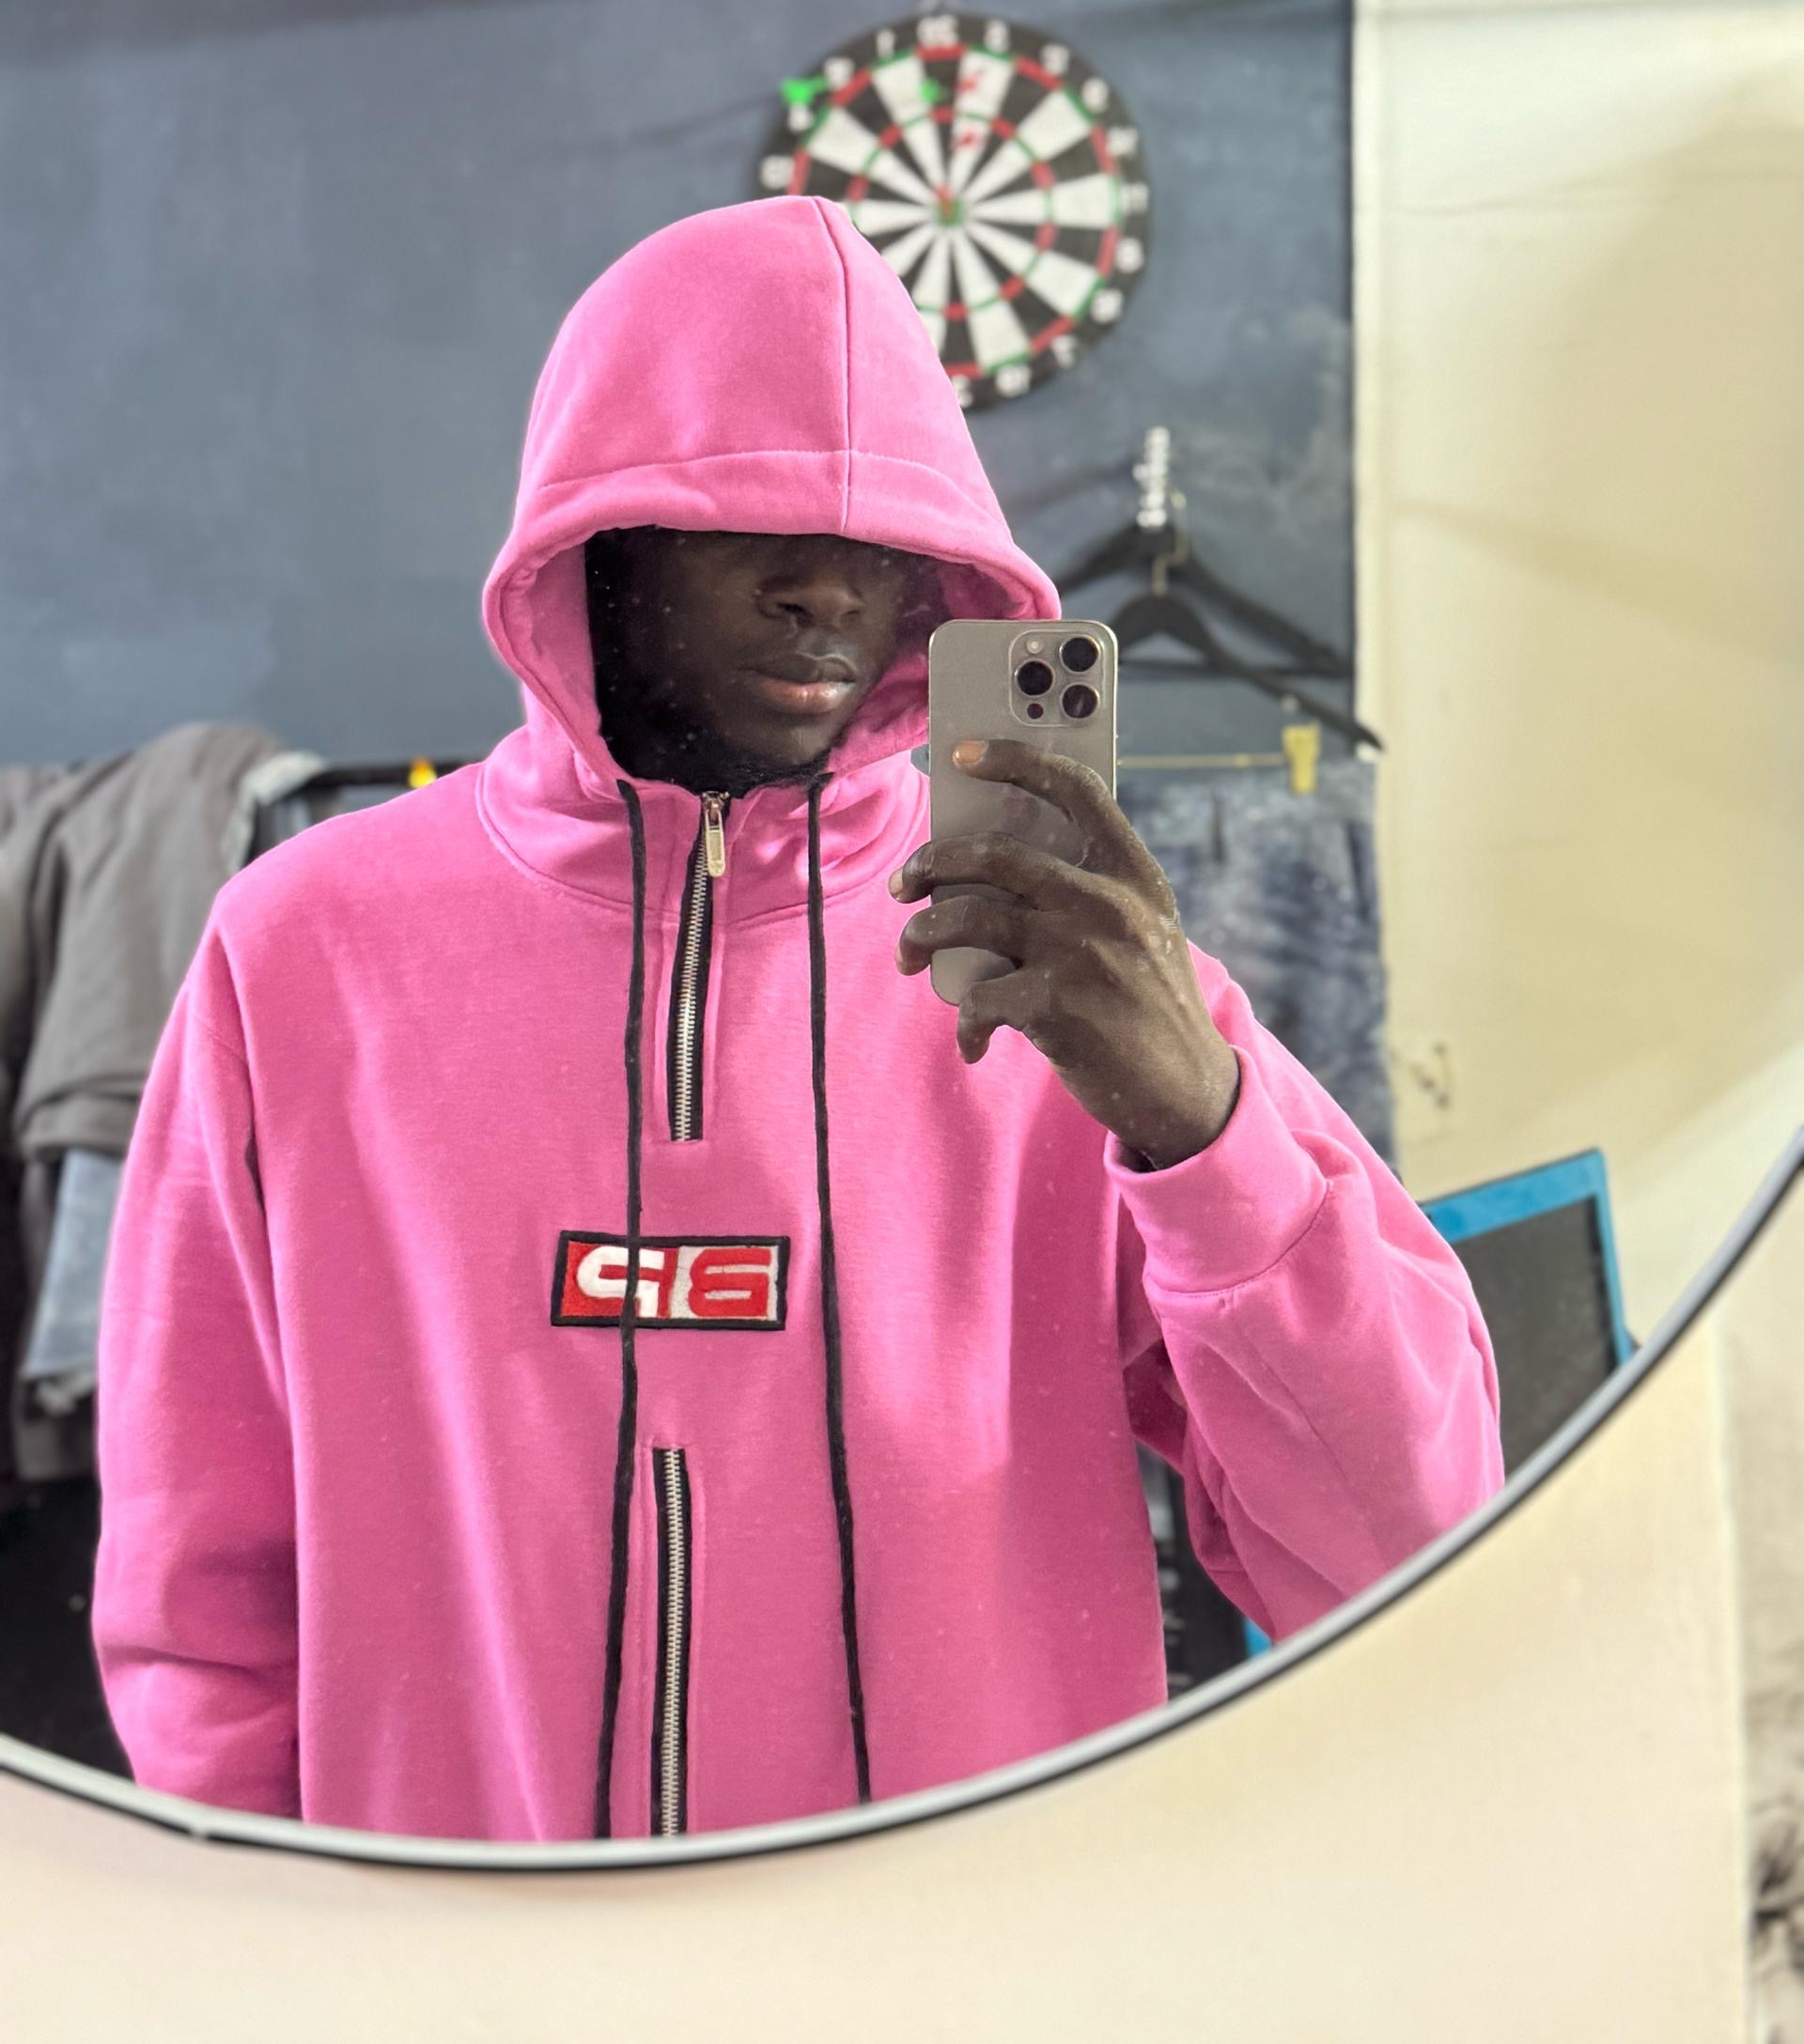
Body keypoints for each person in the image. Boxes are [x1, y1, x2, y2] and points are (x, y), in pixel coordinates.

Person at [93, 195, 1502, 1844]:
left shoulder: (1066, 980)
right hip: (456, 1952)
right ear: (597, 536)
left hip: (968, 1952)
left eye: (880, 537)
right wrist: (274, 1933)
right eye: (745, 513)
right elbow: (202, 1583)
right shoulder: (305, 955)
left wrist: (1207, 1136)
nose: (826, 587)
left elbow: (1408, 1554)